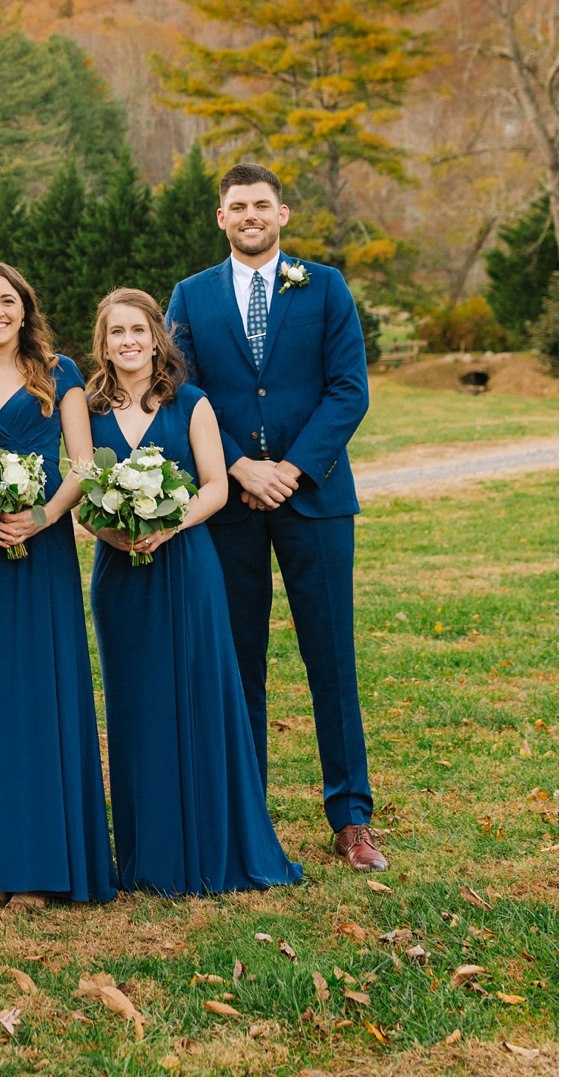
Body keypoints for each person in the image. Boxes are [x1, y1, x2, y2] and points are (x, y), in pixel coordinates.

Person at [165, 163, 381, 870]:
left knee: (332, 659)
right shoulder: (191, 297)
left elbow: (349, 389)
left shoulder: (324, 287)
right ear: (220, 218)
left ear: (282, 214)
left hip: (314, 499)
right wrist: (237, 466)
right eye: (237, 206)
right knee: (238, 661)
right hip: (229, 504)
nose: (251, 214)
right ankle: (246, 811)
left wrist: (289, 469)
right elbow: (180, 391)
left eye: (262, 204)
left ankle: (350, 817)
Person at [83, 289, 302, 897]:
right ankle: (147, 854)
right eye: (115, 332)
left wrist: (167, 523)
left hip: (186, 566)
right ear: (102, 344)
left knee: (200, 693)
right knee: (137, 705)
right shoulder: (91, 411)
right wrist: (118, 534)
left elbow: (215, 487)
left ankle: (213, 843)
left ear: (157, 337)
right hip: (120, 574)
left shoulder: (193, 403)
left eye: (137, 330)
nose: (127, 341)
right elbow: (80, 497)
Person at [0, 260, 115, 908]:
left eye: (7, 300)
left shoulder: (60, 373)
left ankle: (47, 864)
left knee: (44, 693)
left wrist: (45, 515)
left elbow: (84, 463)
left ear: (25, 307)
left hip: (43, 552)